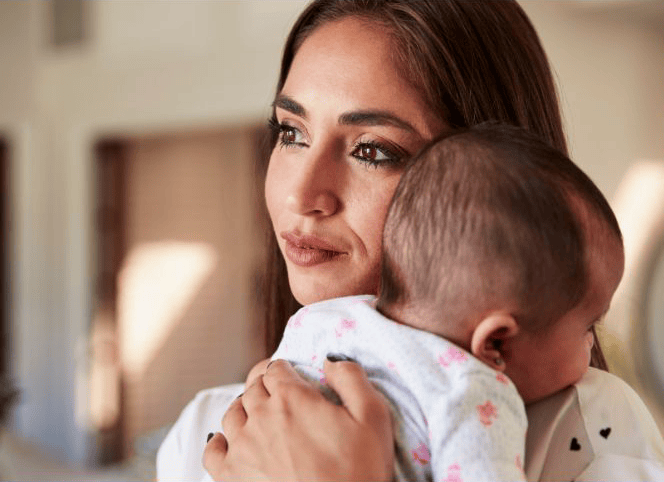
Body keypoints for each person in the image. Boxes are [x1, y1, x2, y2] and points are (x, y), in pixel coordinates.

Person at [157, 1, 664, 480]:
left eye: (372, 150)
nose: (302, 194)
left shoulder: (595, 432)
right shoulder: (201, 433)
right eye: (291, 133)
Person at [211, 124, 624, 482]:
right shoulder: (476, 394)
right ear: (496, 343)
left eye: (371, 150)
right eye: (588, 326)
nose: (301, 197)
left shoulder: (320, 321)